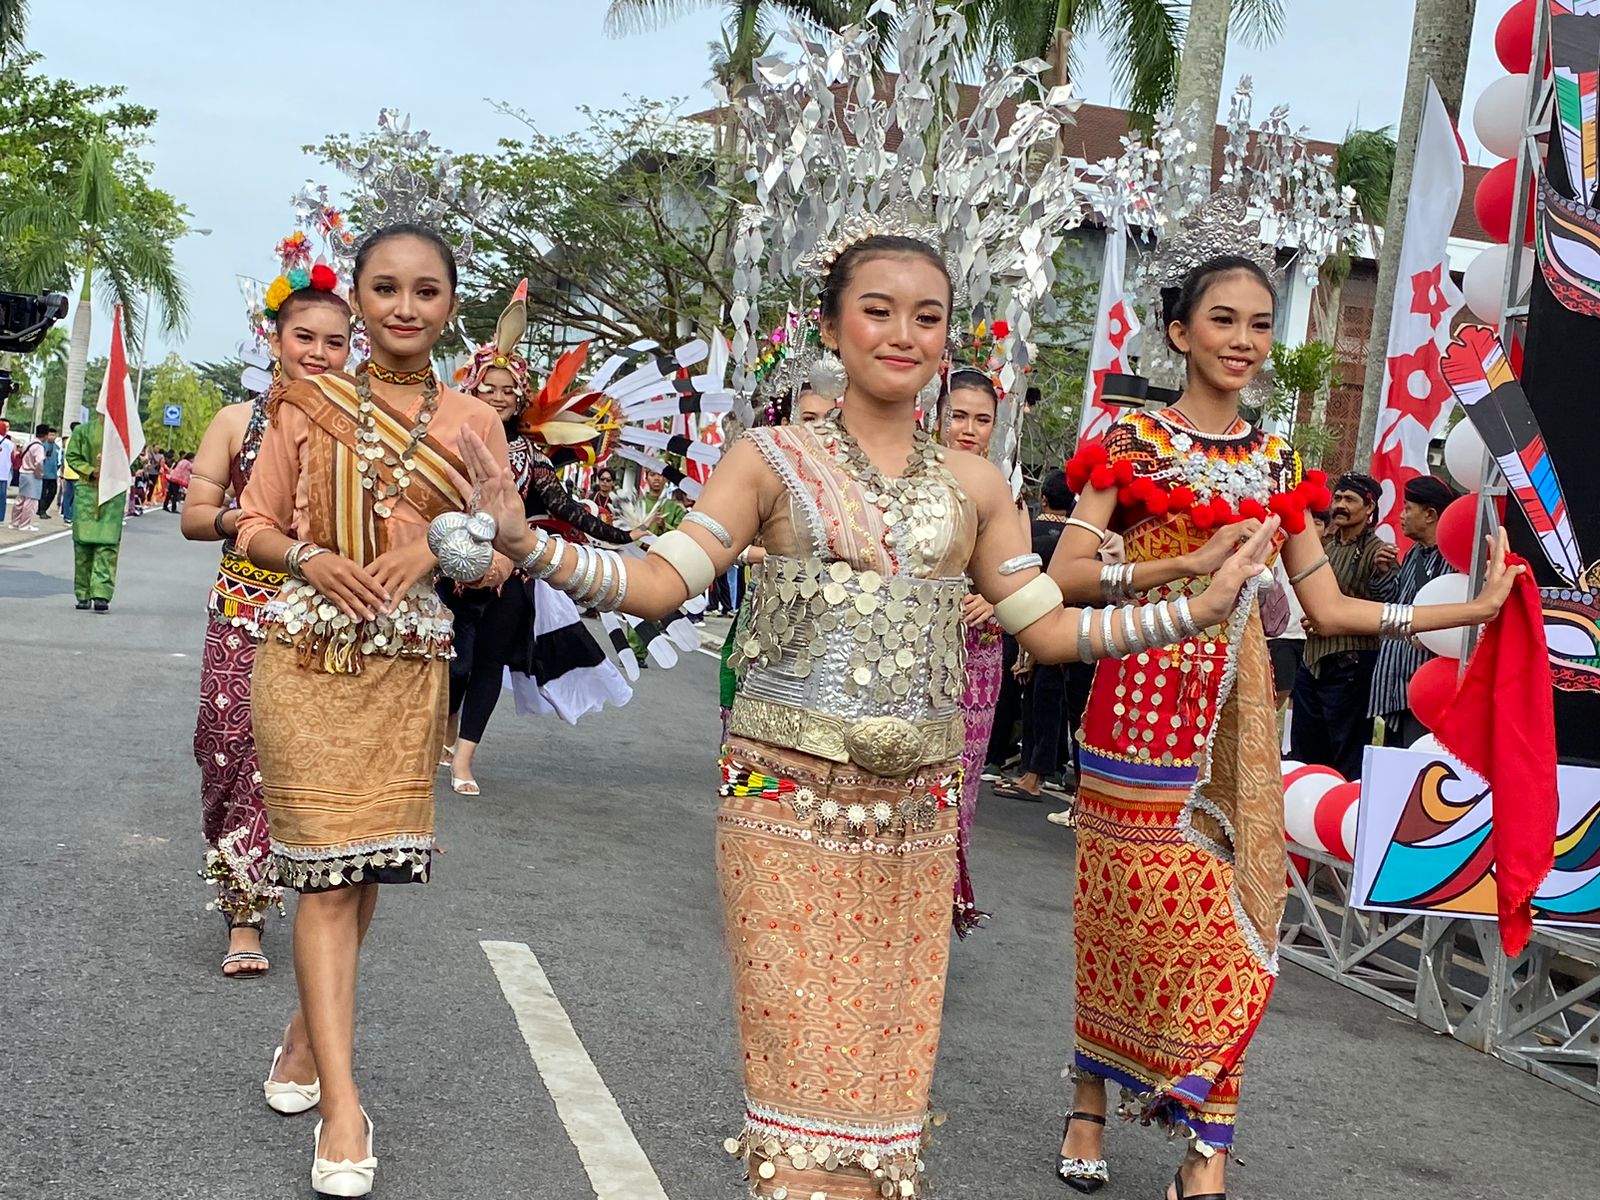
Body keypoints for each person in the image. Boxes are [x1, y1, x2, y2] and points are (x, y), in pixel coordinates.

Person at [461, 232, 1281, 1200]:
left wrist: (1195, 609)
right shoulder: (767, 460)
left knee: (879, 1120)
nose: (902, 333)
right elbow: (657, 581)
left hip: (914, 826)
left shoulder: (978, 487)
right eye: (878, 310)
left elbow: (1047, 630)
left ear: (947, 335)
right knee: (801, 1101)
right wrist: (530, 543)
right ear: (831, 325)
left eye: (925, 316)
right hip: (780, 806)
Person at [1050, 254, 1520, 1200]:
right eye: (1223, 320)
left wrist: (1457, 617)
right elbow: (1062, 577)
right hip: (1137, 716)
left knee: (1237, 930)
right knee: (1125, 926)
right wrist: (1184, 570)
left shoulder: (1278, 466)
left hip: (1239, 722)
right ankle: (1091, 1096)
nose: (1243, 341)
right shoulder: (1130, 442)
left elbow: (1331, 610)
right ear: (1179, 332)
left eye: (1260, 324)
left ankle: (1204, 1146)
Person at [236, 223, 510, 1197]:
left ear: (448, 304)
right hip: (305, 656)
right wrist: (309, 555)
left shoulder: (475, 422)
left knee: (363, 871)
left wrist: (439, 550)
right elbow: (256, 522)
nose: (405, 307)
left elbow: (507, 551)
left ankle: (310, 1032)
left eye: (426, 290)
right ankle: (344, 1107)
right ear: (357, 299)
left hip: (407, 674)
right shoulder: (307, 402)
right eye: (385, 289)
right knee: (321, 873)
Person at [181, 258, 352, 976]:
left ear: (353, 349)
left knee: (274, 768)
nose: (318, 352)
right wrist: (248, 521)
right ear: (276, 339)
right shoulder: (235, 421)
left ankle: (247, 919)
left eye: (334, 342)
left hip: (319, 621)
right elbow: (194, 516)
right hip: (241, 610)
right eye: (303, 337)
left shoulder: (360, 433)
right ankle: (238, 892)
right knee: (223, 756)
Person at [438, 284, 640, 795]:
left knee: (484, 664)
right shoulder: (447, 440)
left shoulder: (531, 455)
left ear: (520, 395)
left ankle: (464, 760)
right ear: (473, 388)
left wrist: (620, 534)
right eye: (490, 387)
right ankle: (441, 731)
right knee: (454, 664)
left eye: (509, 390)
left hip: (511, 576)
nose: (499, 397)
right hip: (447, 570)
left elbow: (563, 507)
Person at [943, 367, 1004, 933]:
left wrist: (995, 600)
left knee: (955, 784)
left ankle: (938, 903)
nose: (969, 429)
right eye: (958, 415)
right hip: (905, 649)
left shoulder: (998, 489)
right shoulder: (913, 480)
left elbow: (1028, 581)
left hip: (978, 658)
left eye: (981, 419)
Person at [994, 469, 1094, 806]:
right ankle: (1049, 776)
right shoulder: (1086, 545)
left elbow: (1034, 596)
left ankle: (1040, 777)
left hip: (1060, 630)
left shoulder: (1037, 541)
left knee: (1052, 704)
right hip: (1086, 631)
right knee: (1071, 709)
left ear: (1043, 498)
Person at [1288, 471, 1386, 779]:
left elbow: (1386, 606)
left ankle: (1341, 818)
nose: (1340, 505)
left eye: (1350, 500)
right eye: (1338, 498)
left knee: (1346, 754)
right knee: (1305, 751)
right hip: (1313, 661)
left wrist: (1383, 573)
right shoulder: (1325, 547)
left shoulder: (1378, 551)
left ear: (1369, 508)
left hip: (1351, 666)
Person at [1368, 474, 1457, 748]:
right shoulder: (1414, 555)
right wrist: (1383, 573)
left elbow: (1453, 618)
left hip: (1426, 683)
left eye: (1408, 508)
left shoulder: (1454, 559)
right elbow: (1395, 604)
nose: (1402, 516)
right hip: (1396, 679)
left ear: (1430, 515)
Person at [65, 416, 129, 611]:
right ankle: (82, 593)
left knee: (107, 546)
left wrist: (115, 466)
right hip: (87, 491)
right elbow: (72, 456)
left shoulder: (124, 435)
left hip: (113, 492)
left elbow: (133, 462)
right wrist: (92, 470)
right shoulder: (82, 431)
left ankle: (101, 594)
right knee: (83, 546)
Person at [8, 425, 45, 530]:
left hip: (23, 473)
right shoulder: (39, 446)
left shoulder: (28, 443)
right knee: (31, 501)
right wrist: (40, 474)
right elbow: (39, 462)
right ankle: (25, 524)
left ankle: (14, 522)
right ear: (45, 435)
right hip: (32, 474)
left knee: (20, 498)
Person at [37, 427, 61, 518]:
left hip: (53, 475)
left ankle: (43, 509)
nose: (52, 437)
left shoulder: (57, 448)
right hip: (44, 474)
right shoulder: (43, 446)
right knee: (42, 494)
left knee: (52, 493)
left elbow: (60, 461)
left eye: (54, 435)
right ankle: (42, 511)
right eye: (50, 435)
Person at [60, 422, 80, 524]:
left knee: (68, 495)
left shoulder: (68, 440)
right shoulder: (78, 440)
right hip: (76, 473)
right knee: (74, 497)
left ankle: (66, 515)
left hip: (69, 472)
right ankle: (69, 516)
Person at [0, 418, 13, 521]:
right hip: (3, 474)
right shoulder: (10, 443)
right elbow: (13, 458)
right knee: (1, 497)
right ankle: (0, 518)